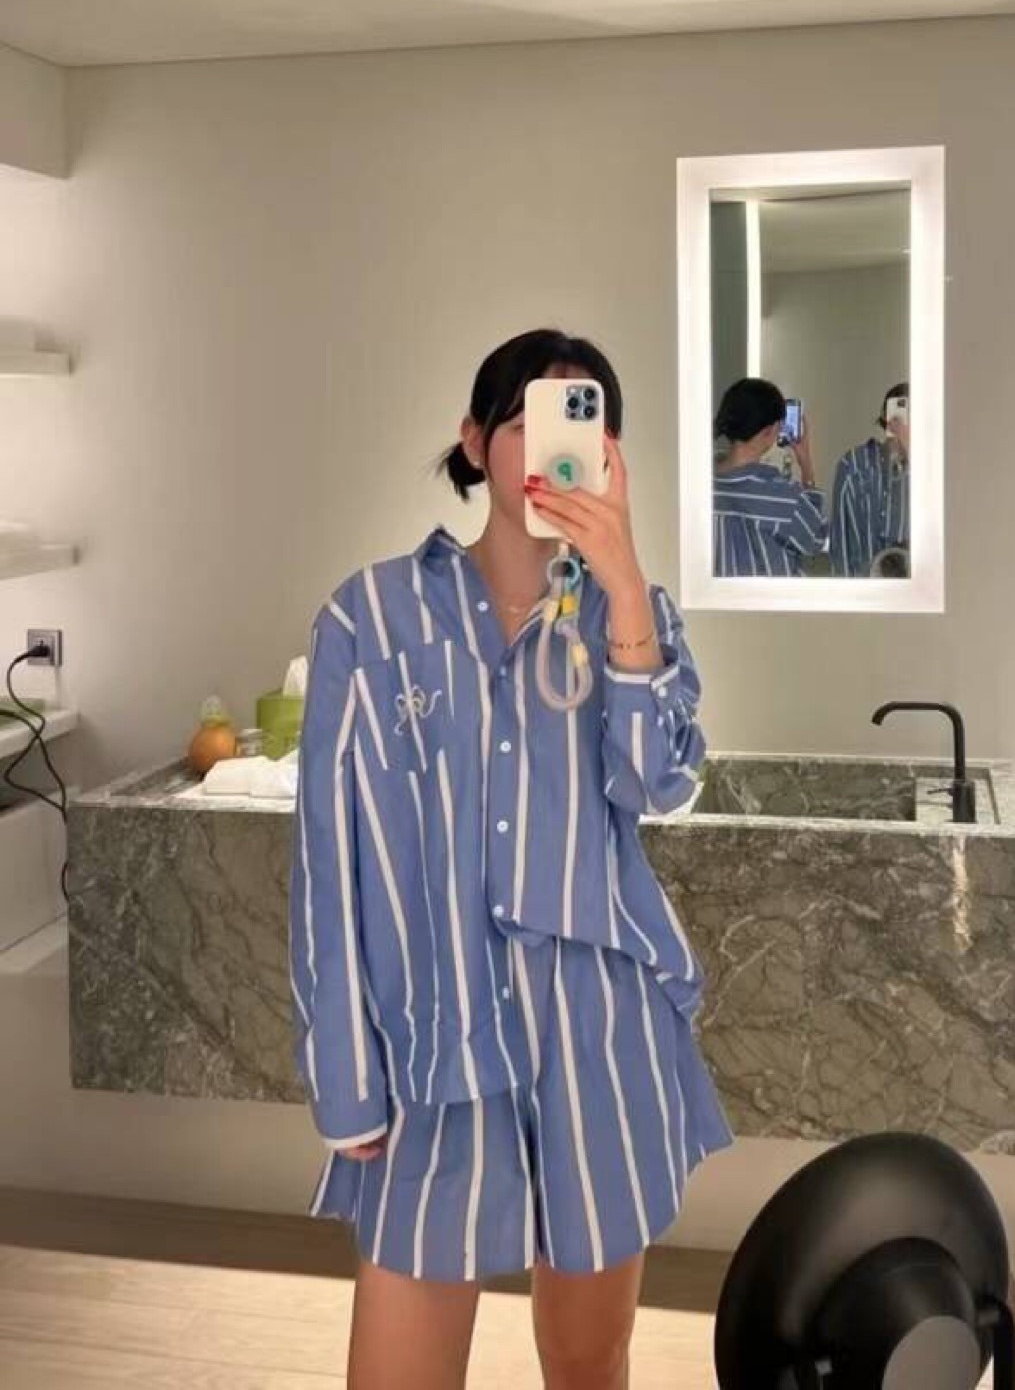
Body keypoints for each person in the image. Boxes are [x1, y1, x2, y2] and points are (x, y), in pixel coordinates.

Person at [288, 327, 734, 1390]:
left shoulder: (630, 618)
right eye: (529, 417)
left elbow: (659, 783)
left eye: (583, 420)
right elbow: (329, 858)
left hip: (597, 1044)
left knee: (588, 1365)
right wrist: (345, 1075)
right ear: (475, 438)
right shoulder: (370, 618)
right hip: (430, 1050)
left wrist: (626, 586)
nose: (552, 445)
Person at [712, 377, 828, 575]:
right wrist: (806, 464)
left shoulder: (699, 486)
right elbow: (815, 538)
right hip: (768, 595)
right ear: (770, 430)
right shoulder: (782, 496)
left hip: (712, 595)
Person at [830, 381, 911, 577]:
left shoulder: (931, 471)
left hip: (916, 588)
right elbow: (841, 540)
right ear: (887, 415)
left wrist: (910, 450)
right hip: (864, 585)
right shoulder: (854, 466)